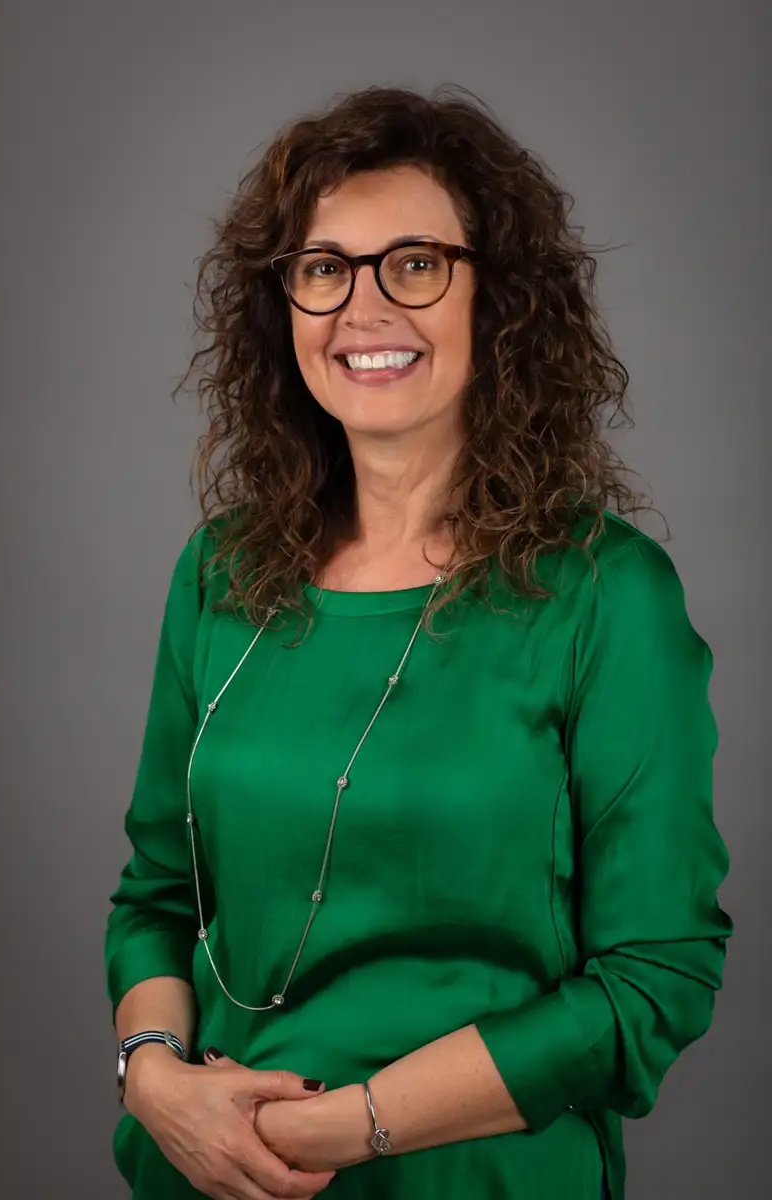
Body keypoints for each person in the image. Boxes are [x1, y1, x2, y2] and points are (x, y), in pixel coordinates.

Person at [104, 83, 733, 1200]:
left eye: (415, 263)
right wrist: (152, 1078)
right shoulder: (221, 571)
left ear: (500, 302)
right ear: (282, 306)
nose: (362, 308)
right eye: (321, 267)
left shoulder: (604, 595)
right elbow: (158, 895)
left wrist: (346, 1130)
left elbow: (653, 981)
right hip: (203, 1178)